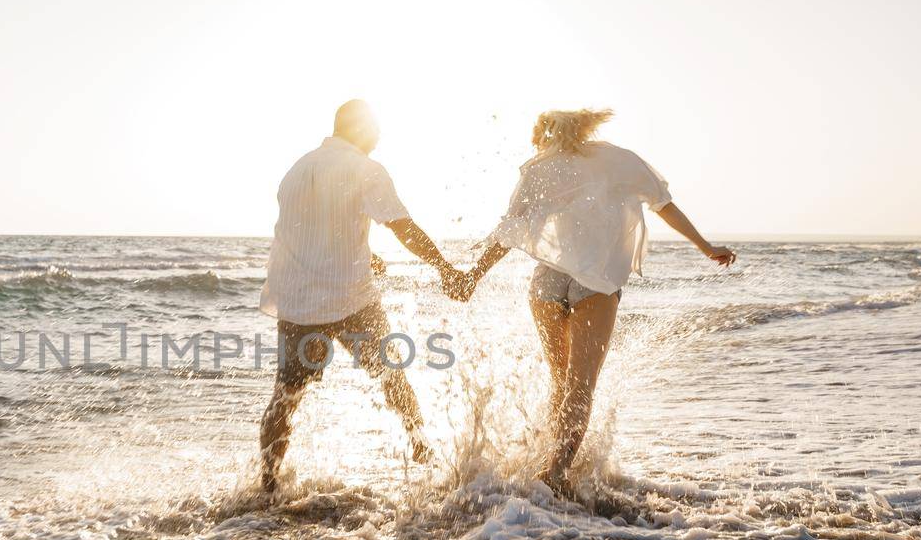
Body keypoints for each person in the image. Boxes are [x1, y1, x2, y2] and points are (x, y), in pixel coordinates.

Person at [458, 109, 735, 493]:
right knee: (580, 385)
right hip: (598, 282)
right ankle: (554, 472)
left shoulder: (539, 168)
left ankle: (546, 464)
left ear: (544, 136)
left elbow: (509, 229)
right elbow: (664, 204)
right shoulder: (619, 160)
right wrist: (705, 247)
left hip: (547, 282)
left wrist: (472, 275)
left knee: (560, 381)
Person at [258, 99, 469, 493]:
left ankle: (267, 486)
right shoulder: (365, 170)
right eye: (375, 129)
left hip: (298, 304)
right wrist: (445, 268)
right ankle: (423, 450)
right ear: (360, 130)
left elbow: (311, 231)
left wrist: (366, 255)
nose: (379, 136)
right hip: (351, 300)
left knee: (285, 398)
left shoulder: (297, 169)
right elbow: (402, 227)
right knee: (392, 375)